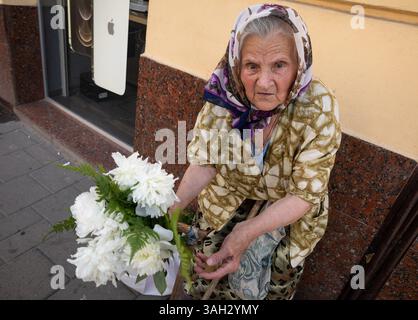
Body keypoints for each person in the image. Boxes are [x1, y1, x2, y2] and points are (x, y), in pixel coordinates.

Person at [169, 3, 342, 300]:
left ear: (298, 65)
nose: (263, 83)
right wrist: (172, 209)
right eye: (252, 66)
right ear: (237, 65)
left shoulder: (318, 106)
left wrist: (246, 232)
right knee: (203, 280)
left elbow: (304, 194)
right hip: (222, 205)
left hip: (281, 219)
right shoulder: (226, 95)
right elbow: (206, 162)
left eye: (278, 65)